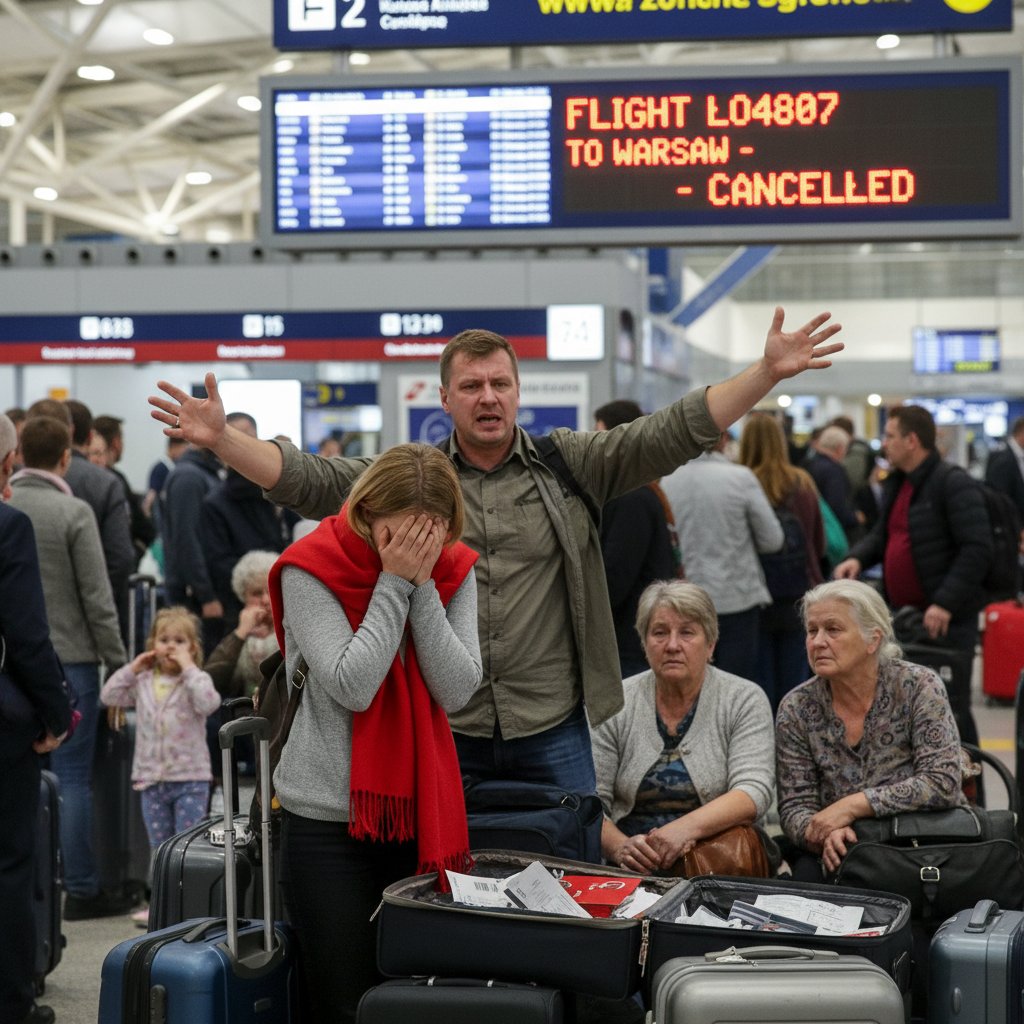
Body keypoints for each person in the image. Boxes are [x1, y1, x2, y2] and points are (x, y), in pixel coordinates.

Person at [150, 307, 843, 792]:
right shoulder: (413, 480)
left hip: (553, 725)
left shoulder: (570, 464)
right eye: (472, 386)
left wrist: (764, 374)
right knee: (444, 898)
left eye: (500, 384)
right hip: (446, 726)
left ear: (518, 392)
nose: (488, 397)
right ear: (445, 398)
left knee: (567, 893)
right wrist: (223, 441)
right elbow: (310, 480)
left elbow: (668, 432)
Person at [268, 442, 482, 1021]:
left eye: (431, 534)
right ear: (366, 513)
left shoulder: (453, 568)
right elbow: (353, 684)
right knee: (343, 999)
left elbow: (458, 687)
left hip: (418, 812)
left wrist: (422, 588)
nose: (418, 547)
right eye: (401, 532)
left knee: (413, 998)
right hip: (325, 819)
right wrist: (393, 583)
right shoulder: (310, 567)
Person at [7, 415, 130, 921]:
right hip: (72, 661)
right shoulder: (73, 511)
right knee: (74, 777)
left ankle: (34, 884)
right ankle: (80, 887)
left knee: (21, 781)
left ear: (18, 455)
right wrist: (119, 662)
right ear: (65, 457)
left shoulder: (7, 508)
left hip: (10, 665)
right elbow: (97, 598)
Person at [775, 579, 966, 880]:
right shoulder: (797, 707)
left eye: (833, 630)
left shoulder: (918, 686)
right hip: (840, 850)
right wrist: (826, 833)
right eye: (812, 631)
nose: (818, 642)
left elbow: (942, 782)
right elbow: (794, 807)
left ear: (872, 640)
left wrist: (853, 806)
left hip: (921, 847)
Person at [591, 580, 777, 876]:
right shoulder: (615, 702)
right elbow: (591, 803)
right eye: (660, 632)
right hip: (632, 866)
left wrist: (682, 830)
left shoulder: (743, 698)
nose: (672, 645)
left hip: (718, 864)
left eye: (687, 632)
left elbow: (753, 791)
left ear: (711, 644)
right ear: (644, 642)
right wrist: (620, 848)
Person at [834, 404, 991, 749]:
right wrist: (856, 558)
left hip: (944, 623)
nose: (884, 443)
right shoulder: (899, 483)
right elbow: (884, 534)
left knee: (951, 712)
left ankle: (968, 780)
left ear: (912, 440)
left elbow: (977, 548)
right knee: (909, 711)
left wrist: (945, 603)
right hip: (906, 620)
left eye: (890, 436)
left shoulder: (952, 483)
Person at [0, 412, 74, 1024]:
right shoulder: (7, 526)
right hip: (3, 731)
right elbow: (25, 636)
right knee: (8, 864)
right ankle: (11, 1002)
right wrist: (57, 712)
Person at [101, 607, 220, 928]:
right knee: (160, 847)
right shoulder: (142, 681)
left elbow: (210, 703)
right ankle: (160, 905)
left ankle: (189, 905)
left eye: (179, 641)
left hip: (190, 779)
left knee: (185, 847)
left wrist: (189, 667)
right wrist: (132, 668)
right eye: (164, 639)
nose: (171, 646)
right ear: (152, 643)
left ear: (192, 647)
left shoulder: (195, 680)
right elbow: (109, 694)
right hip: (151, 780)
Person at [661, 430, 783, 682]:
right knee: (734, 686)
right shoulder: (740, 478)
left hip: (686, 599)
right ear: (723, 439)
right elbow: (772, 540)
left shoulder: (667, 480)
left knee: (689, 683)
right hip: (737, 597)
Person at [27, 398, 134, 647]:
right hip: (81, 636)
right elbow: (120, 559)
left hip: (21, 636)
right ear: (75, 431)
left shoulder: (8, 492)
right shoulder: (105, 483)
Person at [737, 413, 825, 712]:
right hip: (800, 591)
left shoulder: (742, 483)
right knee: (796, 682)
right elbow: (819, 541)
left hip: (756, 596)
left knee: (758, 682)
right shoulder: (802, 482)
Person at [593, 399, 677, 678]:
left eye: (599, 434)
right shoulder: (640, 488)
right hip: (636, 632)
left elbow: (616, 575)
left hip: (630, 639)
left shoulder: (629, 497)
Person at [205, 550, 280, 701]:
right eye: (257, 593)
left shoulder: (291, 630)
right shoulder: (238, 635)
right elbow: (210, 684)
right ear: (243, 596)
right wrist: (241, 633)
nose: (265, 600)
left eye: (270, 590)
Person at [805, 424, 861, 544]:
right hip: (832, 535)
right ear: (840, 448)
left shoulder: (808, 464)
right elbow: (837, 506)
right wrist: (855, 518)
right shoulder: (834, 471)